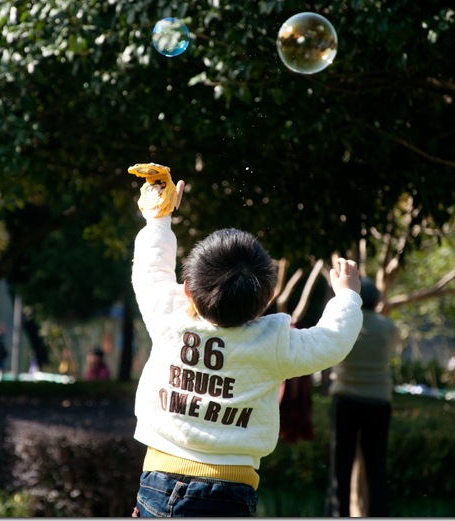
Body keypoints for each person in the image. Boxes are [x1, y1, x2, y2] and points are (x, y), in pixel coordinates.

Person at [126, 162, 364, 517]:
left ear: (188, 290)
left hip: (158, 480)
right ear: (266, 300)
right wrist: (347, 296)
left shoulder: (169, 315)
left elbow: (151, 267)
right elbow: (331, 341)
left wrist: (159, 218)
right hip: (230, 491)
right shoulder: (273, 344)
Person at [327, 277, 400, 517]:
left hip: (345, 398)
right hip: (378, 400)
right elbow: (394, 347)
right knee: (376, 466)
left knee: (340, 465)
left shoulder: (346, 324)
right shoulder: (388, 327)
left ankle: (336, 515)